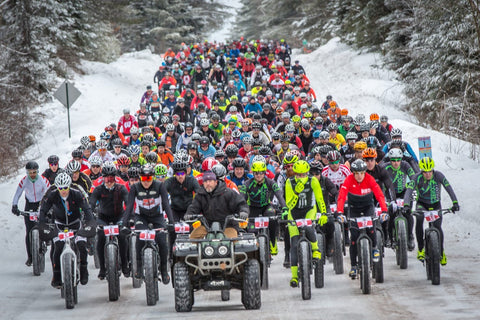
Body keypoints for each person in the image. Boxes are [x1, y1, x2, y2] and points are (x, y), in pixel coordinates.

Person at [38, 173, 95, 287]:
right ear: (57, 188)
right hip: (60, 225)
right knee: (57, 249)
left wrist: (90, 222)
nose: (63, 191)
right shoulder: (53, 195)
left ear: (69, 186)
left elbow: (87, 209)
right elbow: (43, 210)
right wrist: (42, 223)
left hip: (75, 224)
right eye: (60, 188)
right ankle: (57, 275)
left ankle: (84, 270)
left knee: (82, 247)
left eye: (65, 188)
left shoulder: (77, 194)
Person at [335, 159, 389, 279]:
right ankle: (354, 266)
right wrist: (339, 212)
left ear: (365, 172)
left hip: (367, 207)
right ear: (353, 173)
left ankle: (375, 247)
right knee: (353, 238)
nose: (359, 176)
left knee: (371, 228)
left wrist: (384, 210)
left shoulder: (369, 179)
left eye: (361, 173)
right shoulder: (348, 179)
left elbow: (379, 194)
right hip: (353, 208)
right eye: (356, 173)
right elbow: (342, 196)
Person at [403, 157, 459, 265]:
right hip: (422, 204)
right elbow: (409, 191)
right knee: (419, 219)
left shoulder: (439, 175)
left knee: (438, 227)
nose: (428, 174)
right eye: (425, 172)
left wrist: (455, 202)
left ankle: (441, 253)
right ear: (421, 171)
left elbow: (449, 188)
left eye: (430, 171)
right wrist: (406, 205)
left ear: (433, 170)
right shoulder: (416, 177)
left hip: (436, 204)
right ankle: (420, 249)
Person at [123, 164, 174, 284]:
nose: (146, 182)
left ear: (153, 178)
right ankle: (139, 268)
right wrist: (124, 224)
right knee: (140, 239)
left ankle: (164, 270)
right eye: (143, 178)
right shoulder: (135, 187)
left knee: (162, 241)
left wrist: (171, 222)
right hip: (141, 217)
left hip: (157, 217)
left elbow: (166, 204)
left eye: (149, 178)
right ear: (140, 178)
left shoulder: (160, 186)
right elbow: (129, 206)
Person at [284, 160, 327, 287]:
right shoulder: (289, 182)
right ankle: (294, 276)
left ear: (307, 173)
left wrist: (323, 213)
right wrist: (296, 192)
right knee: (294, 242)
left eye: (304, 175)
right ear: (295, 174)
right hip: (294, 213)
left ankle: (315, 249)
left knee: (308, 226)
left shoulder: (313, 180)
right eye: (299, 175)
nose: (301, 177)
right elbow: (289, 204)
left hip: (309, 210)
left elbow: (320, 198)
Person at [89, 163, 129, 279]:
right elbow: (91, 203)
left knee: (122, 236)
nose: (109, 181)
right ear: (103, 178)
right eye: (106, 178)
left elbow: (127, 202)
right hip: (103, 218)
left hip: (119, 217)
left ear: (115, 178)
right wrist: (89, 214)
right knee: (100, 237)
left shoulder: (121, 188)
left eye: (111, 178)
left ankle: (125, 265)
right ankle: (102, 268)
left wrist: (128, 216)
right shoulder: (98, 189)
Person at [241, 161, 287, 255]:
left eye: (261, 173)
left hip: (266, 206)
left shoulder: (270, 182)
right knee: (249, 228)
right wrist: (240, 210)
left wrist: (285, 208)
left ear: (264, 173)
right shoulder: (247, 184)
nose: (258, 175)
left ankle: (273, 242)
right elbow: (241, 198)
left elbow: (279, 195)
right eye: (256, 173)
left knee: (272, 217)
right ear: (253, 173)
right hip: (252, 208)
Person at [185, 171, 249, 239]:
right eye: (206, 181)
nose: (208, 184)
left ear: (216, 182)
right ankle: (200, 249)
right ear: (203, 183)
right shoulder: (200, 195)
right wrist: (189, 214)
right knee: (193, 238)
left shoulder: (228, 193)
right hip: (207, 226)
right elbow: (194, 207)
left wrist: (243, 211)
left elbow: (241, 203)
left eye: (210, 181)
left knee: (231, 240)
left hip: (228, 225)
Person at [12, 161, 51, 266]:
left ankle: (46, 238)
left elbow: (50, 192)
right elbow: (17, 194)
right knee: (29, 231)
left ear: (37, 171)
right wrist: (14, 205)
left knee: (44, 222)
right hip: (29, 205)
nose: (32, 175)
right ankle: (30, 257)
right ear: (27, 172)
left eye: (34, 172)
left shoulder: (43, 180)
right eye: (30, 172)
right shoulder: (24, 181)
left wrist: (50, 204)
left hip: (41, 204)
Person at [380, 148, 416, 250]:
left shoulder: (405, 165)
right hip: (390, 193)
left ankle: (410, 236)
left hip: (404, 192)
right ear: (390, 160)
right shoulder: (385, 167)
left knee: (408, 213)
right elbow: (378, 180)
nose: (396, 163)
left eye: (398, 160)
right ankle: (388, 237)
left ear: (401, 159)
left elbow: (413, 177)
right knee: (388, 214)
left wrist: (413, 189)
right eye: (393, 160)